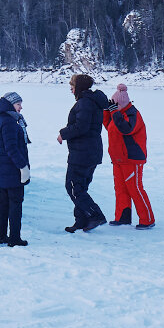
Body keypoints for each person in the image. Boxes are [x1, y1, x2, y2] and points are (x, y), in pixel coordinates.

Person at [56, 73, 108, 232]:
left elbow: (81, 127)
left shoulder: (85, 103)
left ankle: (95, 215)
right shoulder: (91, 101)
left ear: (79, 87)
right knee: (80, 187)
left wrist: (62, 133)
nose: (70, 90)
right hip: (90, 152)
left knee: (73, 187)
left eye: (72, 86)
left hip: (83, 153)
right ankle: (81, 221)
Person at [103, 83, 154, 229]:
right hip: (118, 158)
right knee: (120, 189)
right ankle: (122, 217)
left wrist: (114, 113)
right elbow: (109, 126)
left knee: (135, 188)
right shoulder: (117, 114)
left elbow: (125, 129)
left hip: (132, 158)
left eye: (115, 105)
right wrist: (107, 111)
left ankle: (147, 219)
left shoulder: (133, 114)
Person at [0, 91, 31, 246]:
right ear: (10, 104)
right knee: (15, 202)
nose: (21, 108)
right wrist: (23, 167)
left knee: (4, 202)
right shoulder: (8, 122)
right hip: (11, 169)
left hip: (2, 167)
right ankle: (14, 238)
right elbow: (12, 149)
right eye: (18, 104)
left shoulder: (1, 119)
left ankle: (1, 236)